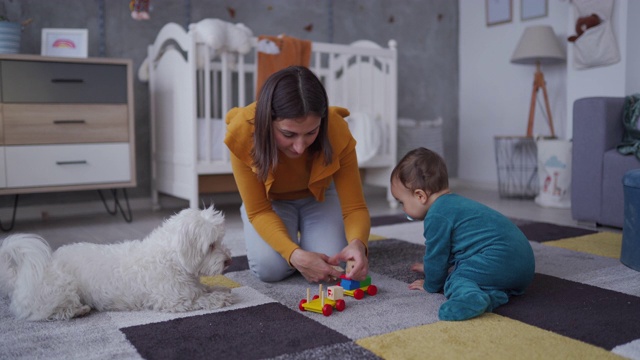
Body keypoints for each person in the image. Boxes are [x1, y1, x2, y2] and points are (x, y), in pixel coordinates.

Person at [224, 65, 370, 284]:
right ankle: (293, 244)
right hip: (270, 202)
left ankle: (303, 240)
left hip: (320, 195)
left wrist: (359, 243)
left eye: (311, 132)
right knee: (270, 269)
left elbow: (355, 207)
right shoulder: (243, 134)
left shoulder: (336, 130)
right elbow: (260, 210)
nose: (300, 147)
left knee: (332, 262)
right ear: (267, 121)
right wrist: (294, 255)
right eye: (288, 134)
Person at [390, 147, 535, 321]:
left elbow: (438, 255)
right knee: (475, 272)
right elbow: (456, 248)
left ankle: (469, 298)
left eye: (402, 202)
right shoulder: (456, 204)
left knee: (456, 277)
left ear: (420, 196)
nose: (402, 208)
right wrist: (429, 267)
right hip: (523, 265)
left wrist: (431, 283)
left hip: (500, 259)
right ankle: (491, 297)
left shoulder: (436, 215)